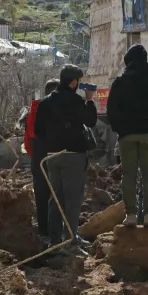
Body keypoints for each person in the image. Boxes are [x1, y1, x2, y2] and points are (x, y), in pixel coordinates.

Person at [34, 64, 97, 252]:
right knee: (73, 200)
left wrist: (53, 143)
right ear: (73, 82)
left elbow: (38, 131)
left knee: (55, 198)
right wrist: (90, 100)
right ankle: (71, 240)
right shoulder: (76, 101)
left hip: (52, 156)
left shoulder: (44, 103)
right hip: (73, 155)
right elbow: (91, 121)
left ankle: (55, 241)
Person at [107, 44, 148, 227]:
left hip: (127, 136)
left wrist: (121, 128)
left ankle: (131, 215)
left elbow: (111, 110)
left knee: (129, 175)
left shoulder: (119, 83)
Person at [25, 79, 59, 242]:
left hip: (37, 156)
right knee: (56, 193)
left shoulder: (32, 111)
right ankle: (55, 231)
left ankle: (43, 230)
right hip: (51, 154)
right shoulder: (53, 109)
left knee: (41, 194)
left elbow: (28, 139)